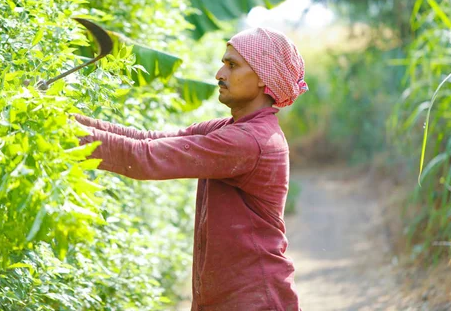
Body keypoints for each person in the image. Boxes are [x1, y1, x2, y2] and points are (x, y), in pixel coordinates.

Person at [73, 27, 308, 311]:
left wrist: (60, 131)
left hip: (255, 299)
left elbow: (144, 157)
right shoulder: (230, 129)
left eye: (232, 65)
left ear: (262, 77)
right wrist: (66, 117)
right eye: (224, 63)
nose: (220, 74)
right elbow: (149, 140)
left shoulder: (248, 141)